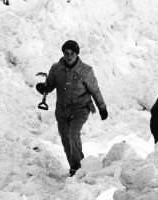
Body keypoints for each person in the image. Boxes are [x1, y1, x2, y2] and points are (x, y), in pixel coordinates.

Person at [36, 40, 108, 177]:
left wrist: (102, 107)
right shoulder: (56, 69)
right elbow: (49, 86)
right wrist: (43, 88)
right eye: (66, 53)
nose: (69, 56)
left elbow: (95, 90)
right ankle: (74, 166)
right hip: (62, 110)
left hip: (80, 109)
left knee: (73, 134)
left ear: (77, 54)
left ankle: (78, 168)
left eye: (72, 53)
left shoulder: (86, 71)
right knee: (65, 138)